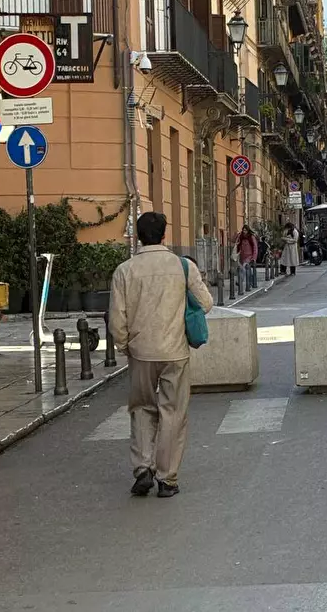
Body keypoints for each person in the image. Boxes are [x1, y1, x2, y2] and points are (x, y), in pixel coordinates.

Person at [108, 212, 214, 498]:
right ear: (165, 235)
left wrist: (124, 345)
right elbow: (206, 303)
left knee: (141, 407)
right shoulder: (183, 267)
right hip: (175, 351)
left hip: (141, 352)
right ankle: (167, 479)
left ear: (138, 237)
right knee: (173, 412)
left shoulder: (124, 270)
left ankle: (143, 467)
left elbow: (117, 319)